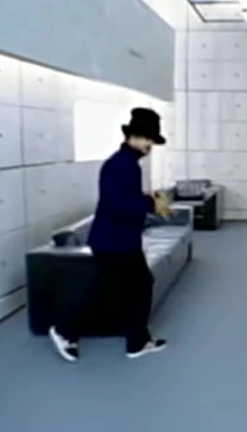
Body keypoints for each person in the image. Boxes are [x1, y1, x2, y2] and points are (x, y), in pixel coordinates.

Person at [49, 107, 173, 362]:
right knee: (117, 289)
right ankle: (64, 331)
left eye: (152, 139)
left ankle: (136, 342)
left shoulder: (127, 164)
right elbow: (118, 205)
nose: (150, 145)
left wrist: (148, 199)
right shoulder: (121, 165)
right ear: (132, 137)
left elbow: (124, 198)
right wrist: (151, 204)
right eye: (147, 138)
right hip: (114, 242)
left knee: (134, 287)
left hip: (121, 240)